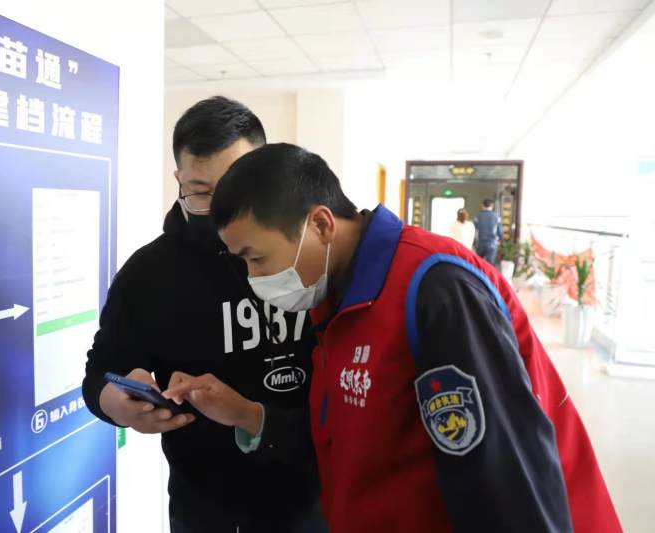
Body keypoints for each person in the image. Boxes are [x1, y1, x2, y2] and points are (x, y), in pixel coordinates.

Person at [168, 143, 621, 532]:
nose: (254, 279)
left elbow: (503, 479)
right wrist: (245, 413)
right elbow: (347, 438)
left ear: (321, 225)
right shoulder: (335, 301)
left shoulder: (436, 289)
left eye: (257, 259)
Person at [83, 100, 325, 532]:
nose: (221, 209)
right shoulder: (148, 274)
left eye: (236, 185)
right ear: (179, 180)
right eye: (200, 191)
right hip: (208, 507)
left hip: (318, 495)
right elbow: (100, 372)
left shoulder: (308, 250)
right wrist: (118, 404)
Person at [474, 197, 503, 264]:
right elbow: (500, 232)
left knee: (478, 263)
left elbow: (474, 231)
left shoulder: (477, 217)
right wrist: (499, 240)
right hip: (492, 243)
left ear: (482, 205)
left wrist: (474, 243)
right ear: (492, 205)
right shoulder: (496, 217)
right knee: (490, 264)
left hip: (480, 243)